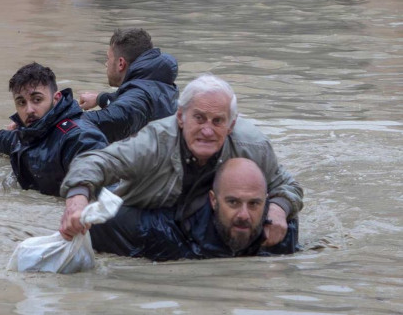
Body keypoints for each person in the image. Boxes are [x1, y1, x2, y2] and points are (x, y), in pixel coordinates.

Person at [59, 74, 304, 249]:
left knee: (286, 228)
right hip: (153, 213)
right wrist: (77, 200)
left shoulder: (253, 146)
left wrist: (278, 208)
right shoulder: (154, 142)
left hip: (207, 216)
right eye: (199, 118)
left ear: (231, 125)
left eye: (217, 121)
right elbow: (94, 162)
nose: (207, 130)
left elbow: (287, 186)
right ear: (180, 117)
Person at [89, 158, 288, 261]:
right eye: (233, 203)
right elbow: (98, 220)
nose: (244, 215)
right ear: (214, 200)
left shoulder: (280, 234)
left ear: (266, 202)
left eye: (254, 204)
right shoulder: (163, 231)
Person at [0, 62, 108, 197]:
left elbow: (100, 176)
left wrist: (79, 198)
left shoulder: (78, 137)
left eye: (37, 100)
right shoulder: (31, 131)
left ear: (56, 99)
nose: (29, 110)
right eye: (21, 102)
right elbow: (11, 141)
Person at [78, 28, 179, 143]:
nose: (106, 64)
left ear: (121, 63)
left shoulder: (139, 96)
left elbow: (115, 117)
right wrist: (100, 98)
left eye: (108, 59)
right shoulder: (157, 82)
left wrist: (63, 117)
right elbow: (130, 101)